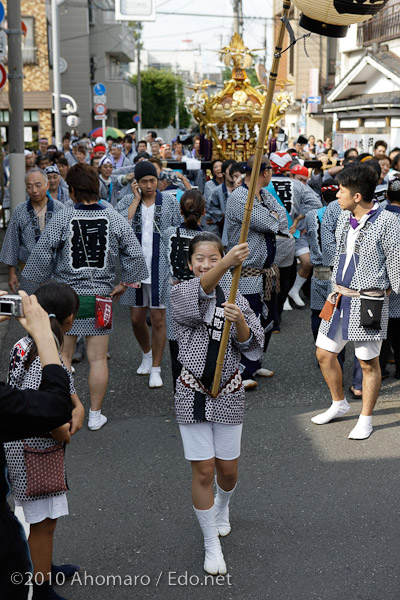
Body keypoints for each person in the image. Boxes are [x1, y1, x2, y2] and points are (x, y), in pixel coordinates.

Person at [22, 163, 148, 430]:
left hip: (66, 297)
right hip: (101, 296)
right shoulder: (113, 216)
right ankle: (94, 414)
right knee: (98, 358)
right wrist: (125, 283)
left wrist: (31, 289)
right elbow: (134, 254)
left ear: (73, 190)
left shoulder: (64, 217)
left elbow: (42, 253)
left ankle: (66, 407)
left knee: (63, 356)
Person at [170, 234, 263, 575]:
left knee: (228, 470)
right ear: (190, 263)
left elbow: (254, 346)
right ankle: (211, 543)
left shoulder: (236, 293)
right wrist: (226, 263)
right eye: (200, 259)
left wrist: (239, 321)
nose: (206, 264)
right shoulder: (180, 291)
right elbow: (190, 311)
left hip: (230, 391)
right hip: (192, 391)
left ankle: (222, 507)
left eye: (214, 258)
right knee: (204, 469)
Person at [4, 282, 84, 600]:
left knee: (43, 518)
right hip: (35, 449)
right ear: (69, 320)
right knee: (44, 521)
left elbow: (62, 380)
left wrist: (76, 404)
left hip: (24, 446)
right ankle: (40, 588)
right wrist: (63, 429)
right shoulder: (43, 352)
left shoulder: (30, 343)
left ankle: (44, 568)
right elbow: (45, 410)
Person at [312, 164, 400, 439]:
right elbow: (337, 255)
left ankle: (366, 418)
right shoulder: (340, 215)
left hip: (369, 300)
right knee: (324, 354)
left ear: (358, 196)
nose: (337, 195)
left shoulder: (389, 222)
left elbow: (397, 265)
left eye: (341, 190)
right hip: (338, 296)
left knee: (367, 362)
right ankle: (338, 403)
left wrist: (393, 293)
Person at [116, 160, 181, 388]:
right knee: (136, 318)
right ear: (137, 183)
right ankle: (146, 353)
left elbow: (178, 233)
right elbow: (119, 227)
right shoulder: (127, 201)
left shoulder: (170, 202)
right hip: (135, 268)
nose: (149, 185)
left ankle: (156, 367)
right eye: (144, 181)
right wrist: (135, 200)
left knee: (158, 319)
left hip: (161, 268)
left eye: (152, 180)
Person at [226, 155, 288, 389]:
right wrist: (273, 217)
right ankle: (242, 370)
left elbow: (282, 219)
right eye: (271, 169)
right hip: (246, 272)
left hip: (267, 272)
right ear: (265, 171)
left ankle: (256, 361)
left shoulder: (265, 194)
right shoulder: (240, 196)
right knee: (247, 320)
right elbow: (269, 223)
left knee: (267, 319)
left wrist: (274, 216)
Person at [163, 190, 206, 387]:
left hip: (175, 296)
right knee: (201, 352)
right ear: (203, 212)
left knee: (177, 353)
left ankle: (180, 397)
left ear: (180, 210)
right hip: (202, 299)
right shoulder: (209, 238)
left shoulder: (169, 233)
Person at [0, 168, 65, 294]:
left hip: (55, 272)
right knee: (30, 307)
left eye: (38, 185)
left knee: (55, 308)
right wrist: (12, 273)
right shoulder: (20, 210)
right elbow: (11, 243)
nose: (34, 190)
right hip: (28, 272)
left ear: (47, 185)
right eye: (29, 186)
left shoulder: (60, 209)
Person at [287, 164, 322, 307]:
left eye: (304, 180)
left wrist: (303, 224)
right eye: (299, 179)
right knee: (285, 270)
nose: (302, 183)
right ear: (291, 176)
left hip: (300, 235)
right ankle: (283, 299)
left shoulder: (309, 191)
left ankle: (293, 290)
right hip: (283, 235)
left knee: (308, 263)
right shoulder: (283, 187)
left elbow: (317, 206)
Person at [379, 175, 400, 378]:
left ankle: (380, 368)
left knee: (382, 329)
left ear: (386, 195)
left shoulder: (379, 217)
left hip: (383, 281)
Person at [206, 159, 237, 238]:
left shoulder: (242, 189)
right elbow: (210, 207)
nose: (232, 173)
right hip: (219, 225)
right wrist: (222, 214)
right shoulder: (216, 190)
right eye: (216, 167)